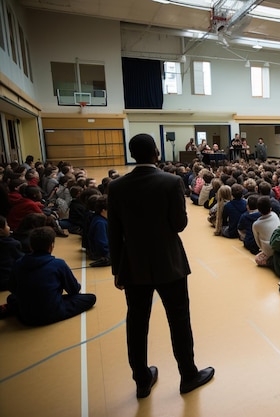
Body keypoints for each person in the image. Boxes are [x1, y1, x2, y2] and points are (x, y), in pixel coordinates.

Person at [107, 134, 214, 398]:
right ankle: (188, 375)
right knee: (179, 319)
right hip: (169, 262)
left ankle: (142, 380)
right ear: (156, 152)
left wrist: (117, 270)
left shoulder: (116, 186)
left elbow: (113, 231)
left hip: (133, 264)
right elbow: (179, 225)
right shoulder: (171, 182)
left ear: (132, 154)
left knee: (136, 322)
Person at [6, 226, 96, 325]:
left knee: (12, 298)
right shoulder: (58, 264)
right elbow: (74, 289)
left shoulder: (19, 263)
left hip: (25, 317)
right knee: (91, 298)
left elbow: (12, 288)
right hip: (51, 313)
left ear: (31, 246)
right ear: (51, 246)